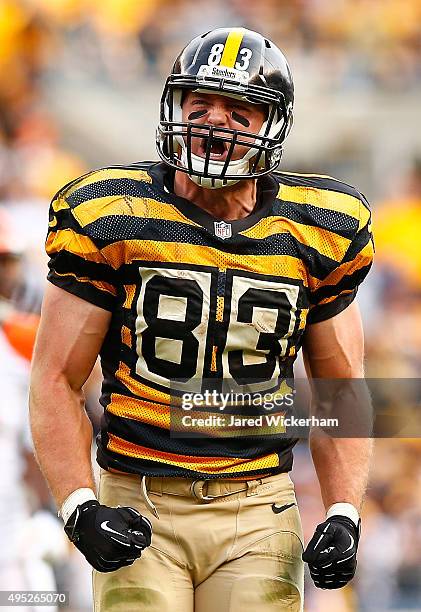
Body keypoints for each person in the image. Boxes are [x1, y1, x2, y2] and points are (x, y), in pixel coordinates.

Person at [30, 27, 374, 611]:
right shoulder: (114, 213)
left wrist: (343, 511)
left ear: (273, 125)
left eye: (239, 110)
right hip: (139, 500)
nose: (214, 123)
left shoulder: (320, 227)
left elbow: (340, 387)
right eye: (201, 104)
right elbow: (56, 378)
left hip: (258, 503)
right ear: (174, 105)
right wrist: (78, 505)